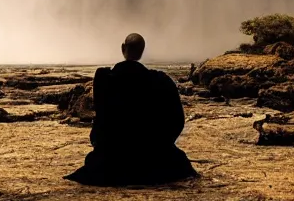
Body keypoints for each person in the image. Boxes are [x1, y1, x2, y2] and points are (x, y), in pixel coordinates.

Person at [65, 33, 198, 186]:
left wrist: (101, 143)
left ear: (123, 48)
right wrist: (160, 144)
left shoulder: (104, 78)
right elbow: (177, 120)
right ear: (143, 51)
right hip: (151, 155)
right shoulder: (160, 81)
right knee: (178, 164)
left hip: (112, 155)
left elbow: (101, 118)